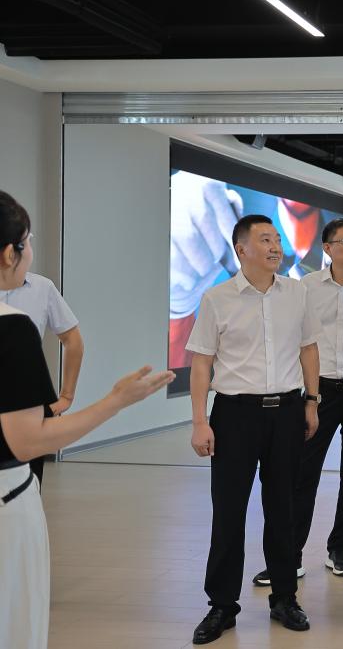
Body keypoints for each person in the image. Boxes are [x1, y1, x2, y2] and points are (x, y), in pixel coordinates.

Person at [0, 190, 174, 649]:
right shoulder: (11, 327)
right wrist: (116, 400)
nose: (30, 251)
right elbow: (25, 441)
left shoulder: (31, 304)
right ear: (9, 254)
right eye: (27, 241)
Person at [186, 214, 322, 644]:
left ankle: (284, 597)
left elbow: (309, 348)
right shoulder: (217, 298)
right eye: (265, 239)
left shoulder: (296, 293)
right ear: (241, 249)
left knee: (283, 508)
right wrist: (199, 421)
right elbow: (202, 363)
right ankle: (222, 605)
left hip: (287, 411)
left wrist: (312, 402)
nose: (275, 246)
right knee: (229, 511)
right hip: (235, 415)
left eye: (277, 238)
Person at [250, 218, 343, 587]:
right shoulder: (305, 287)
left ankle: (339, 548)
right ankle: (289, 557)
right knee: (302, 475)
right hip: (318, 390)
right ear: (327, 248)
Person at [0, 270, 85, 483]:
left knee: (28, 481)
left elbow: (73, 339)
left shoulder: (42, 287)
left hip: (27, 397)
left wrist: (67, 395)